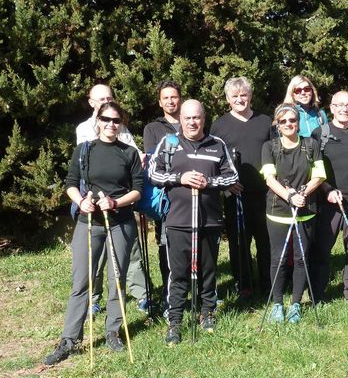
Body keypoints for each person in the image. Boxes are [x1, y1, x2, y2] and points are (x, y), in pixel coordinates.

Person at [44, 102, 143, 365]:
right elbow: (71, 183)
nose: (112, 124)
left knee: (117, 277)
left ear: (122, 123)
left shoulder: (129, 153)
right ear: (97, 120)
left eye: (117, 120)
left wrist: (115, 202)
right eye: (107, 119)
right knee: (82, 282)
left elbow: (137, 190)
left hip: (120, 221)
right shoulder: (84, 150)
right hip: (89, 224)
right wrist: (80, 202)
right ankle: (69, 339)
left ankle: (113, 331)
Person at [149, 99, 238, 345]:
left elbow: (232, 177)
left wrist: (208, 182)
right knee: (178, 274)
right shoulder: (169, 143)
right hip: (177, 220)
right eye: (187, 118)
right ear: (180, 119)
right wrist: (181, 178)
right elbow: (153, 174)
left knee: (208, 271)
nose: (192, 122)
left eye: (196, 117)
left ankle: (207, 312)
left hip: (209, 221)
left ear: (203, 118)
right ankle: (175, 321)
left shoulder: (216, 144)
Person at [76, 84, 149, 317]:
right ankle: (94, 298)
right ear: (91, 102)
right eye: (100, 99)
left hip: (121, 199)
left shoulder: (120, 124)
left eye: (109, 97)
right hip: (93, 199)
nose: (105, 101)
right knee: (93, 257)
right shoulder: (85, 129)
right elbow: (84, 165)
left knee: (129, 252)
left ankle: (141, 294)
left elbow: (133, 155)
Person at [261, 104, 326, 323]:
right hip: (278, 212)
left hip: (305, 211)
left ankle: (296, 303)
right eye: (283, 121)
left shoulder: (311, 145)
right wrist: (289, 197)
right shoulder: (269, 147)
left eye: (292, 120)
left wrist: (302, 194)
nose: (289, 124)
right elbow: (270, 179)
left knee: (301, 258)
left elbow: (319, 176)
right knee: (278, 259)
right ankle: (277, 304)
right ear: (277, 125)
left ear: (298, 122)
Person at [209, 77, 272, 301]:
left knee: (266, 241)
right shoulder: (219, 126)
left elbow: (275, 153)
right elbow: (213, 160)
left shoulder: (265, 121)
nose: (239, 99)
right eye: (234, 96)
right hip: (235, 194)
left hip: (266, 193)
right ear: (227, 99)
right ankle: (243, 284)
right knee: (239, 244)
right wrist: (226, 185)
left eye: (243, 95)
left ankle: (268, 283)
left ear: (250, 96)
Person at [310, 91, 348, 304]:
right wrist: (327, 190)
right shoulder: (321, 134)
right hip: (329, 201)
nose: (344, 109)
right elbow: (313, 169)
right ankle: (317, 292)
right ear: (332, 107)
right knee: (322, 249)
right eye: (340, 105)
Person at [143, 80, 182, 315]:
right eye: (165, 98)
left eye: (174, 97)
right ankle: (170, 297)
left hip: (190, 195)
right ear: (160, 102)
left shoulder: (191, 121)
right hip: (166, 195)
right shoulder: (152, 129)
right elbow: (152, 162)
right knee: (166, 244)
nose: (170, 101)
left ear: (180, 98)